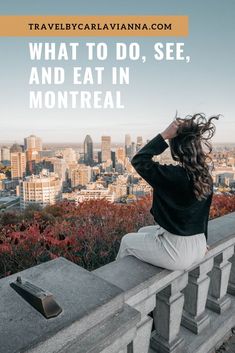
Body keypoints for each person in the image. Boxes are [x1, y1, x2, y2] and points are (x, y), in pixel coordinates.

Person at [116, 113, 219, 270]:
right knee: (142, 230)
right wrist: (202, 244)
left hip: (178, 251)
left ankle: (116, 284)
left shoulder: (173, 175)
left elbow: (139, 160)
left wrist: (164, 135)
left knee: (127, 241)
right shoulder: (204, 176)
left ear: (176, 148)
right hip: (198, 243)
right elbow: (202, 216)